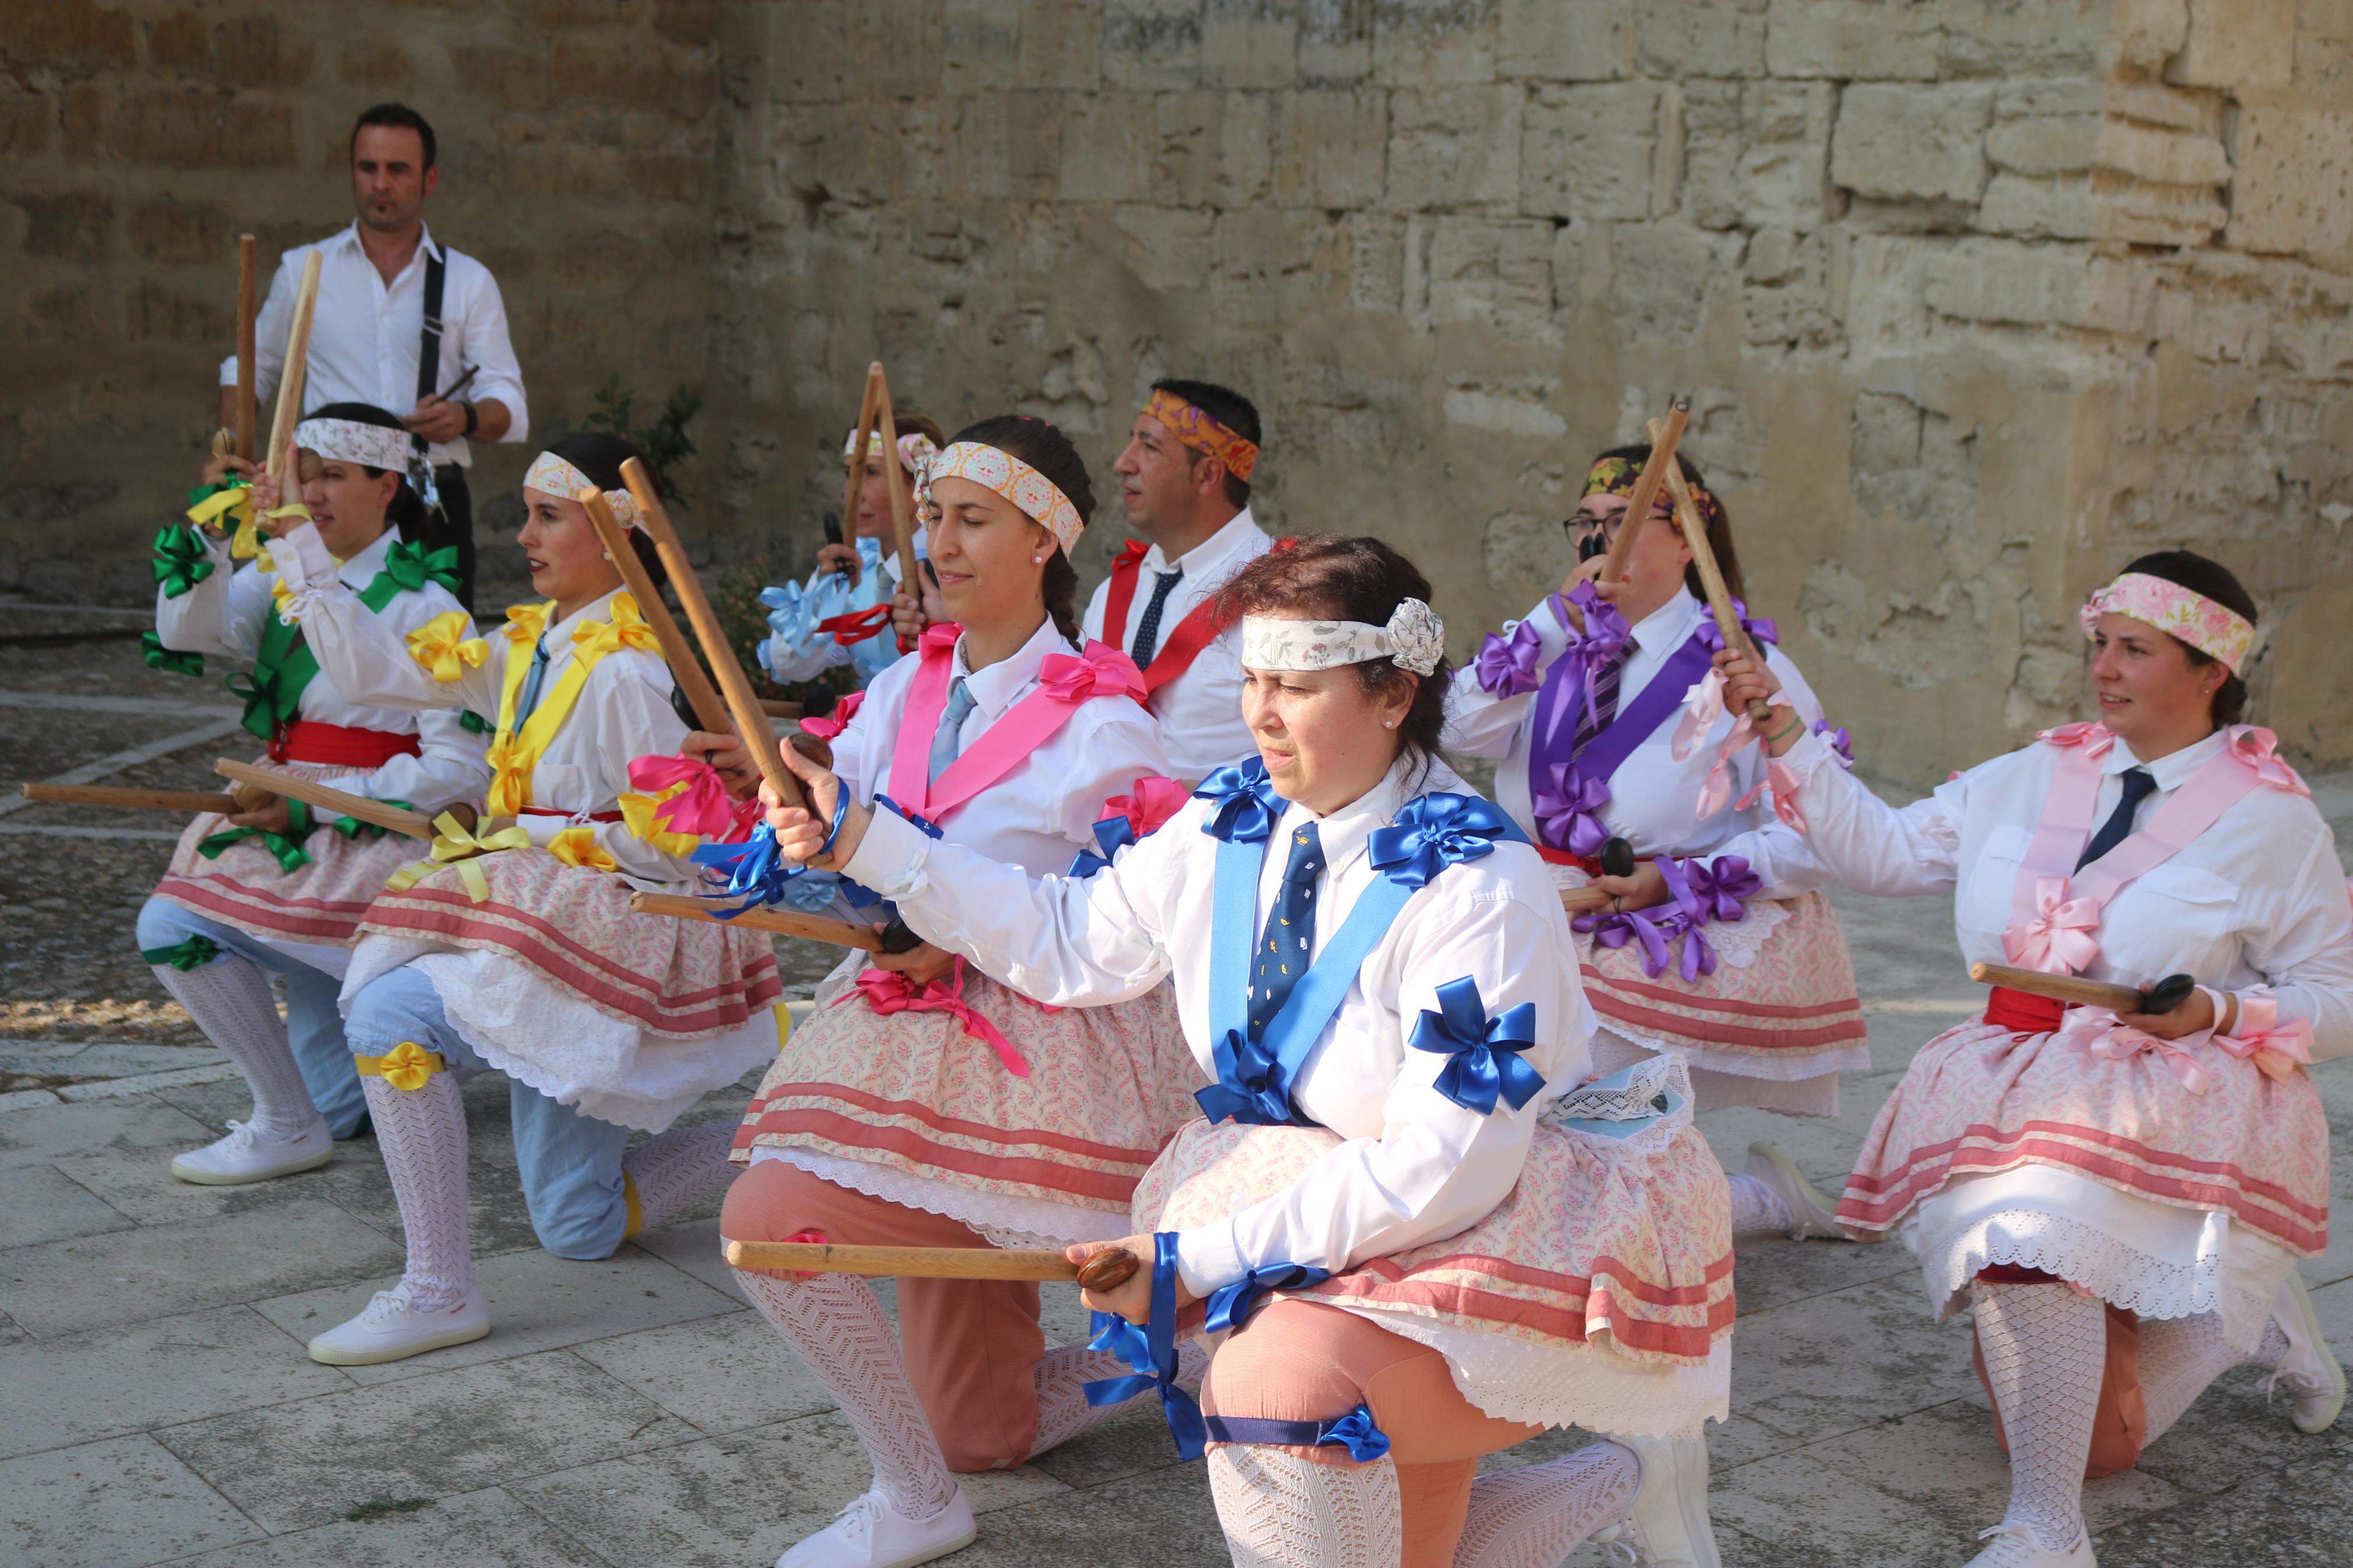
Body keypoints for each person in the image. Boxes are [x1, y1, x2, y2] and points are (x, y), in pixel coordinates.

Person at [747, 536, 1736, 1568]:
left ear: (1394, 694)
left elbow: (1447, 1161)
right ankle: (1625, 1482)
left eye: (1296, 687)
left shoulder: (1482, 891)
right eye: (1253, 680)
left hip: (1472, 1226)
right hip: (1310, 1213)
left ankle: (1626, 1462)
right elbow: (1068, 941)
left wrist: (1192, 1261)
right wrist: (867, 838)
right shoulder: (1229, 821)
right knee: (1388, 1536)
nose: (1260, 714)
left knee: (1275, 1396)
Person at [1728, 550, 2350, 1567]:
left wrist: (2220, 1008)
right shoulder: (2023, 775)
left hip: (2170, 1105)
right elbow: (1882, 853)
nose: (2101, 668)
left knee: (2024, 1238)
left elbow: (2338, 999)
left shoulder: (2273, 823)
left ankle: (2046, 1530)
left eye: (2133, 650)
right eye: (2097, 643)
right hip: (2009, 1077)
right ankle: (2247, 1322)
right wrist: (1789, 742)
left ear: (2208, 674)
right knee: (2088, 1430)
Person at [704, 414, 1217, 1568]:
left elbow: (1121, 914)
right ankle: (1170, 1349)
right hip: (900, 1029)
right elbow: (851, 829)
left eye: (969, 519)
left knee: (766, 1223)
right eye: (931, 516)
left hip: (1035, 1056)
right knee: (982, 1431)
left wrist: (926, 902)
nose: (935, 542)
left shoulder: (1102, 721)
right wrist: (788, 813)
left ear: (1045, 540)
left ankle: (913, 1498)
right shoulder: (903, 689)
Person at [245, 432, 781, 1366]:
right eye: (525, 515)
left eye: (547, 517)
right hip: (545, 910)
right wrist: (297, 544)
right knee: (578, 1225)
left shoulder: (625, 669)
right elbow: (381, 671)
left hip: (609, 929)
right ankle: (787, 1130)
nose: (524, 536)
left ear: (613, 540)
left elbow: (680, 845)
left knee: (386, 1012)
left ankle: (439, 1287)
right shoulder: (529, 643)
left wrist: (533, 836)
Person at [1446, 443, 1865, 1214]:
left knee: (1541, 1103)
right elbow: (1454, 726)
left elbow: (1815, 829)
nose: (1597, 540)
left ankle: (1741, 1207)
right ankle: (1749, 1201)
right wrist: (1548, 622)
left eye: (1627, 519)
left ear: (1687, 537)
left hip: (1646, 926)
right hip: (1532, 900)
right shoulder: (1545, 644)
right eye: (1587, 521)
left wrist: (1668, 880)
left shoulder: (1742, 667)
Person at [140, 404, 491, 1182]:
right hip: (288, 816)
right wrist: (209, 532)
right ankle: (320, 1102)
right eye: (301, 475)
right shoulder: (279, 580)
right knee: (339, 1103)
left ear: (387, 484)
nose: (312, 493)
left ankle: (297, 1116)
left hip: (378, 834)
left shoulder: (426, 607)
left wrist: (319, 800)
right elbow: (189, 636)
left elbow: (463, 770)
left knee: (172, 918)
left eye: (332, 474)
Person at [221, 102, 527, 607]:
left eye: (397, 169)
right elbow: (249, 370)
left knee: (436, 663)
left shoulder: (468, 281)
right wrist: (235, 450)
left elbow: (508, 402)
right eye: (368, 168)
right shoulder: (302, 269)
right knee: (314, 652)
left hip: (429, 500)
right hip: (325, 497)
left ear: (429, 180)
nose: (380, 182)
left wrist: (464, 416)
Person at [1081, 379, 1276, 782]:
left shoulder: (1282, 595)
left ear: (1207, 475)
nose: (1123, 463)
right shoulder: (1112, 593)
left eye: (1149, 448)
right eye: (1131, 442)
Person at [762, 413, 945, 690]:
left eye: (870, 473)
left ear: (920, 484)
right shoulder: (857, 562)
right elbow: (790, 664)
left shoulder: (953, 565)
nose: (853, 493)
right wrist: (826, 592)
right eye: (850, 475)